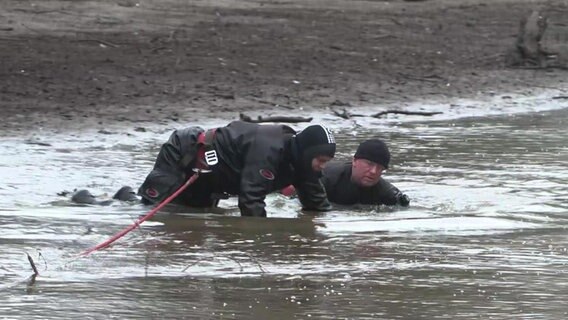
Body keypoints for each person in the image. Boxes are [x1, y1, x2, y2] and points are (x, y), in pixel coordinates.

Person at [137, 120, 337, 217]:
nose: (322, 166)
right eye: (320, 160)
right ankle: (123, 196)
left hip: (211, 177)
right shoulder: (268, 151)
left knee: (188, 215)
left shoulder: (306, 166)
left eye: (326, 161)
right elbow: (251, 202)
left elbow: (317, 205)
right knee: (152, 209)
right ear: (305, 153)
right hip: (185, 153)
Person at [320, 139, 410, 206]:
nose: (373, 171)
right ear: (354, 161)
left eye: (380, 168)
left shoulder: (387, 194)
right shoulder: (325, 178)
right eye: (369, 164)